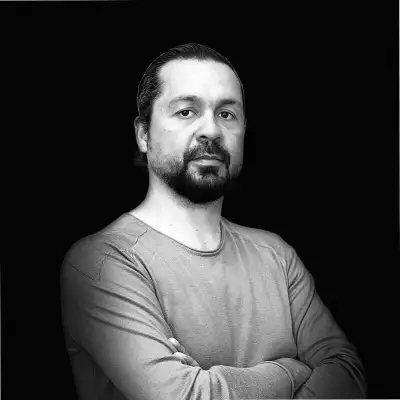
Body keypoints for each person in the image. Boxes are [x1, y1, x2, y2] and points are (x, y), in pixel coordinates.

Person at [60, 43, 367, 400]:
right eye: (186, 111)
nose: (211, 130)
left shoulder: (277, 255)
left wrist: (216, 384)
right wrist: (292, 369)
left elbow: (346, 372)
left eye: (226, 114)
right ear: (144, 134)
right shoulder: (102, 263)